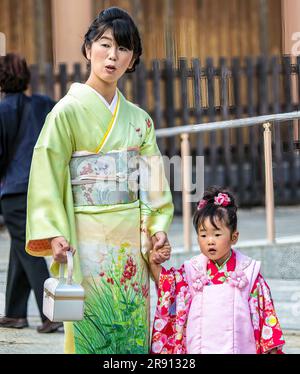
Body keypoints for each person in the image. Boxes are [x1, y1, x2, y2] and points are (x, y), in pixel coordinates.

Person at [25, 7, 174, 354]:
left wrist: (157, 227)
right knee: (91, 329)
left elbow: (152, 180)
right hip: (85, 240)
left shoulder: (140, 120)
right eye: (105, 44)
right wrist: (55, 232)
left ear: (133, 58)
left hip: (129, 245)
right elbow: (46, 171)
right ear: (88, 47)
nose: (113, 56)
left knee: (131, 326)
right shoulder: (66, 112)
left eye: (123, 48)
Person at [149, 186, 285, 354]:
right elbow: (167, 285)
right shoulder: (192, 271)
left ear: (234, 237)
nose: (210, 241)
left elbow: (265, 317)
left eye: (217, 234)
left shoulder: (248, 273)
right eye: (203, 235)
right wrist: (154, 262)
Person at [0, 53, 62, 333]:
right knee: (22, 247)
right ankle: (14, 313)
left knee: (30, 252)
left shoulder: (2, 110)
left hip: (13, 193)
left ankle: (51, 314)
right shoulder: (44, 104)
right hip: (41, 188)